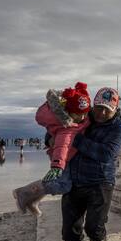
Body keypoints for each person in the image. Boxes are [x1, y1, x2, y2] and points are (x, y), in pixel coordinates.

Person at [61, 87, 121, 241]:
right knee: (69, 233)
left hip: (100, 184)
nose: (102, 112)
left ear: (114, 110)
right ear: (93, 105)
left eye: (107, 109)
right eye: (98, 107)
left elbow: (105, 153)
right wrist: (50, 138)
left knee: (94, 228)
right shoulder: (82, 117)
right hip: (73, 182)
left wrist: (74, 138)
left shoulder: (118, 128)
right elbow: (58, 128)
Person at [13, 82, 91, 216]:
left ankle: (32, 200)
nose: (83, 117)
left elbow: (86, 114)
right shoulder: (67, 127)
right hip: (63, 158)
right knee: (63, 185)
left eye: (85, 113)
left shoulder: (78, 116)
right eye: (79, 114)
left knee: (60, 182)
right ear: (69, 112)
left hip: (68, 156)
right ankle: (24, 192)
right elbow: (62, 145)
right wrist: (57, 166)